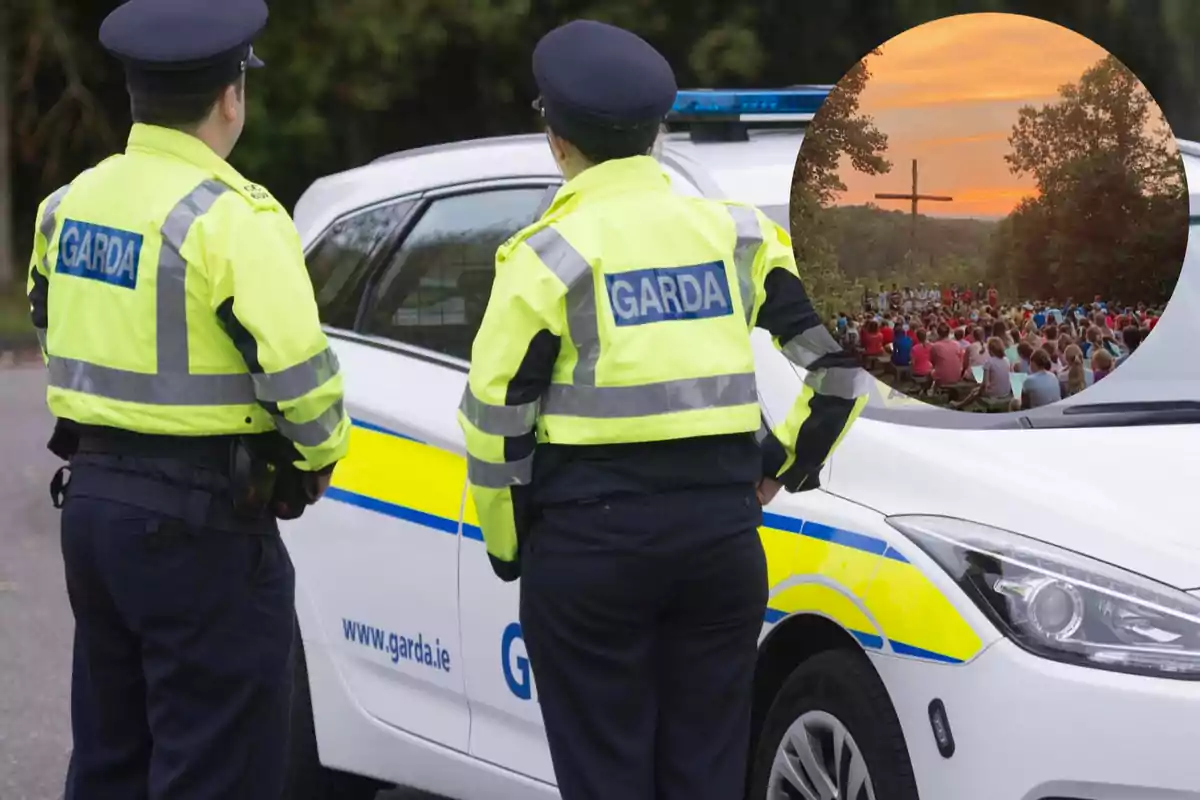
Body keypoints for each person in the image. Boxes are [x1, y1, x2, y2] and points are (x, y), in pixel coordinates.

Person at [456, 20, 868, 800]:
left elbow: (494, 419)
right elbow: (843, 365)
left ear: (556, 138)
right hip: (718, 544)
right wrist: (783, 464)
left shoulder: (548, 256)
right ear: (655, 136)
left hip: (588, 552)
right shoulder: (737, 235)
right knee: (707, 776)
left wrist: (511, 546)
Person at [25, 0, 350, 796]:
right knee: (217, 768)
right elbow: (301, 379)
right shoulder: (232, 220)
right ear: (230, 96)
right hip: (202, 525)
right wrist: (313, 461)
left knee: (110, 758)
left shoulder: (68, 206)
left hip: (95, 508)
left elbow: (47, 319)